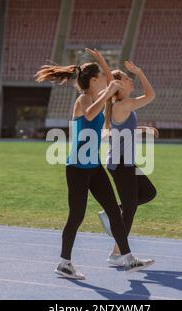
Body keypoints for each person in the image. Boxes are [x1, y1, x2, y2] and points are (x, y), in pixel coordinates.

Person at [34, 49, 154, 280]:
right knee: (76, 216)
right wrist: (107, 91)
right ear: (93, 81)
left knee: (114, 213)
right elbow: (89, 115)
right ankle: (64, 262)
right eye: (102, 77)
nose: (108, 83)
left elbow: (111, 83)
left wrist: (101, 60)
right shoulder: (84, 99)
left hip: (95, 167)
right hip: (77, 168)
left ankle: (127, 258)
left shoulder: (104, 96)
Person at [97, 61, 158, 267]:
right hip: (120, 163)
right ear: (117, 85)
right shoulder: (122, 105)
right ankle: (117, 254)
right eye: (126, 77)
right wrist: (140, 72)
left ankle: (113, 212)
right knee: (131, 208)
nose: (130, 79)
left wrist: (143, 129)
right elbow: (150, 96)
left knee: (148, 193)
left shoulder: (123, 106)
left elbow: (124, 130)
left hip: (126, 162)